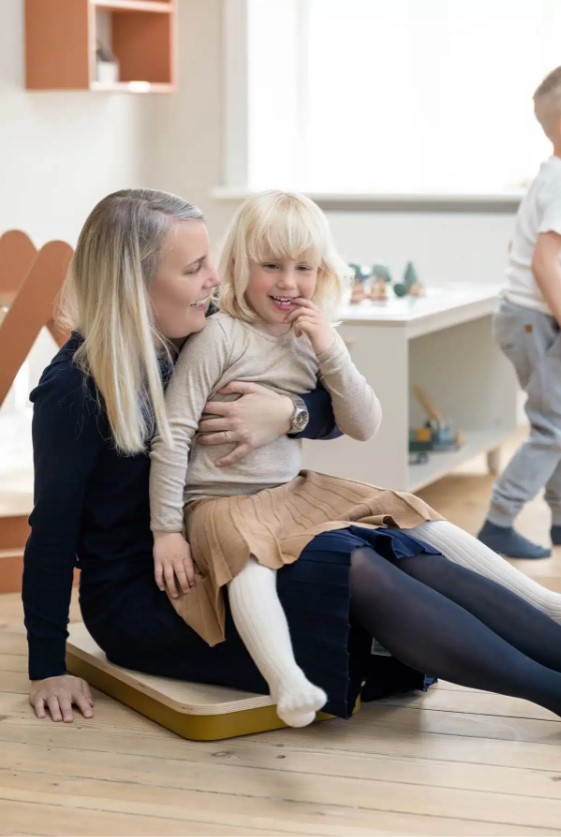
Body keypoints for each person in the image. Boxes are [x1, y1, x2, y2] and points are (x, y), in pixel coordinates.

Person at [23, 188, 561, 727]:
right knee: (354, 564)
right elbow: (51, 534)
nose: (215, 277)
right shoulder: (72, 389)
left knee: (400, 549)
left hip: (236, 536)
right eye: (194, 268)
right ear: (134, 285)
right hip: (155, 593)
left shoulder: (200, 323)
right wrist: (46, 666)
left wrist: (288, 413)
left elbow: (336, 413)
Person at [478, 65, 561, 559]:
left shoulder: (550, 174)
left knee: (558, 422)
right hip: (535, 321)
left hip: (528, 317)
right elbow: (543, 260)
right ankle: (499, 521)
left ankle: (560, 519)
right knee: (553, 426)